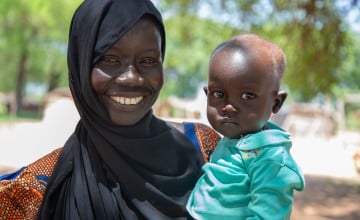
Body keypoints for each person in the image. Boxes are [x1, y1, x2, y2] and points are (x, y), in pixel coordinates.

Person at [0, 0, 220, 219]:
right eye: (110, 60)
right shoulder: (31, 191)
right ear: (81, 65)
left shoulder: (206, 151)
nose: (131, 78)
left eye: (148, 60)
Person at [186, 33, 305, 220]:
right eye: (218, 94)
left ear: (276, 103)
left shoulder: (269, 157)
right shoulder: (235, 138)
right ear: (207, 93)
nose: (229, 107)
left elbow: (268, 216)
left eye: (247, 96)